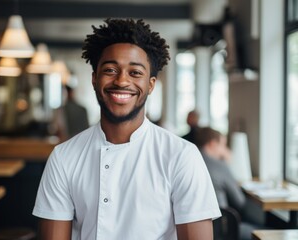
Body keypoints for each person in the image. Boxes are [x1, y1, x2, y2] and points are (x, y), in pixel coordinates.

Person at [32, 18, 221, 240]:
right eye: (110, 70)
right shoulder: (64, 157)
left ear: (150, 84)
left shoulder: (182, 156)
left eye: (135, 72)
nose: (122, 81)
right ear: (95, 79)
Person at [195, 127, 261, 240]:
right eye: (223, 145)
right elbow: (240, 202)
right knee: (265, 230)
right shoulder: (219, 165)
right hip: (222, 227)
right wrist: (228, 163)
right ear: (212, 144)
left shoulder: (191, 161)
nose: (225, 150)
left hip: (196, 227)